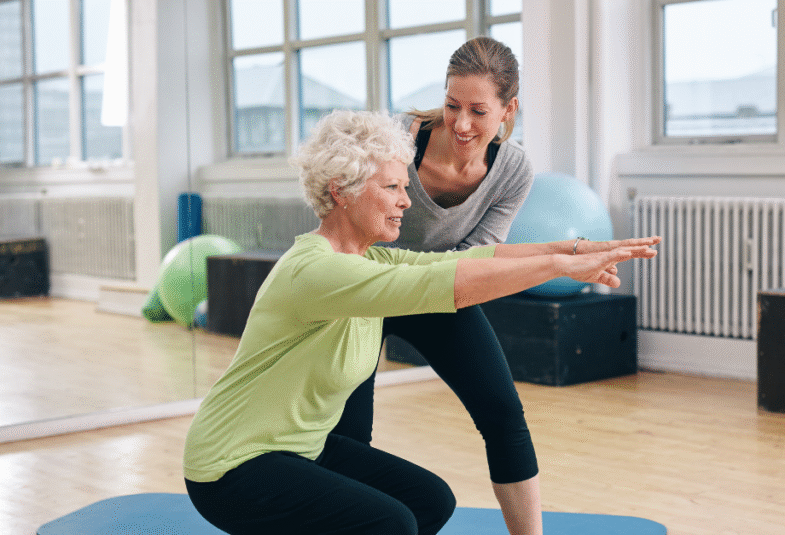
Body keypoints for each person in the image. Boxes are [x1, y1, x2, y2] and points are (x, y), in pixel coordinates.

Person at [182, 109, 660, 535]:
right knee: (390, 523)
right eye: (391, 187)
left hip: (299, 449)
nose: (406, 202)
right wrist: (559, 267)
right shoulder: (318, 271)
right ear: (341, 192)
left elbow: (472, 260)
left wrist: (573, 249)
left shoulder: (374, 260)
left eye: (404, 187)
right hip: (233, 467)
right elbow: (453, 287)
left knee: (430, 502)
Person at [330, 36, 576, 535]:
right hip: (367, 287)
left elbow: (479, 259)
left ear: (509, 109)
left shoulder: (512, 170)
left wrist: (560, 259)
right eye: (451, 106)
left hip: (438, 288)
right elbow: (339, 214)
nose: (462, 125)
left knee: (503, 413)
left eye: (478, 111)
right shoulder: (398, 140)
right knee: (349, 433)